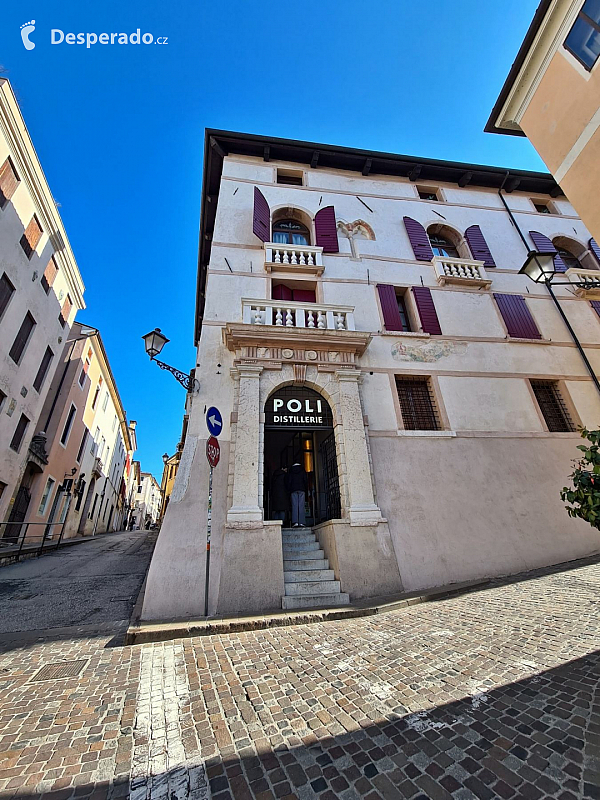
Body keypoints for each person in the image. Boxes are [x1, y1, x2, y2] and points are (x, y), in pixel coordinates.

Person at [286, 461, 308, 528]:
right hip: (301, 489)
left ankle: (295, 522)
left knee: (294, 506)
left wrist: (289, 490)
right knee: (301, 506)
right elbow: (305, 480)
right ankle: (301, 522)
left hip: (293, 490)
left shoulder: (291, 471)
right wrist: (305, 488)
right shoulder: (302, 470)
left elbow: (289, 481)